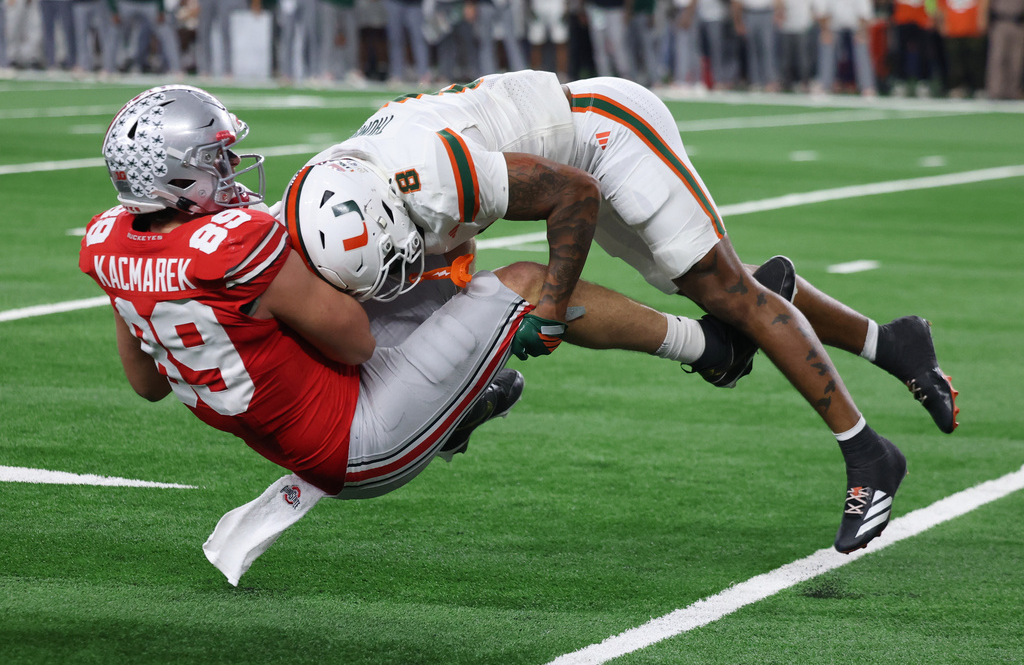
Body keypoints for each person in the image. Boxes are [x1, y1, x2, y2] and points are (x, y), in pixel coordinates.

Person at [283, 70, 960, 556]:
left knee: (727, 293)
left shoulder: (431, 177)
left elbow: (572, 194)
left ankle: (870, 453)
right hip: (555, 156)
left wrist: (550, 306)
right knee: (716, 286)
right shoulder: (322, 197)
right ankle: (892, 342)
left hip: (604, 135)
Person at [80, 84, 607, 584]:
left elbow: (147, 385)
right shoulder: (235, 242)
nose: (233, 166)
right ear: (175, 179)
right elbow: (356, 343)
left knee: (431, 260)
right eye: (216, 158)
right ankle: (689, 344)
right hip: (358, 443)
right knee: (520, 280)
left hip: (295, 435)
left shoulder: (108, 241)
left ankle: (455, 408)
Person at [814, 0, 878, 96]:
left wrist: (861, 32)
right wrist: (826, 31)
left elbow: (865, 15)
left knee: (862, 43)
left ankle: (867, 86)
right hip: (833, 27)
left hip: (855, 27)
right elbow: (821, 14)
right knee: (825, 40)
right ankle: (824, 84)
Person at [935, 0, 989, 98]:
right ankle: (957, 86)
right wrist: (942, 22)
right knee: (955, 61)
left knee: (976, 60)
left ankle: (978, 87)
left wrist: (982, 18)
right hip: (953, 27)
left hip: (972, 26)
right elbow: (941, 2)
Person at [985, 0, 1024, 100]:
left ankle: (1012, 91)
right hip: (1001, 21)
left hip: (1019, 23)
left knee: (1016, 59)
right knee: (998, 57)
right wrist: (984, 20)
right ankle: (995, 91)